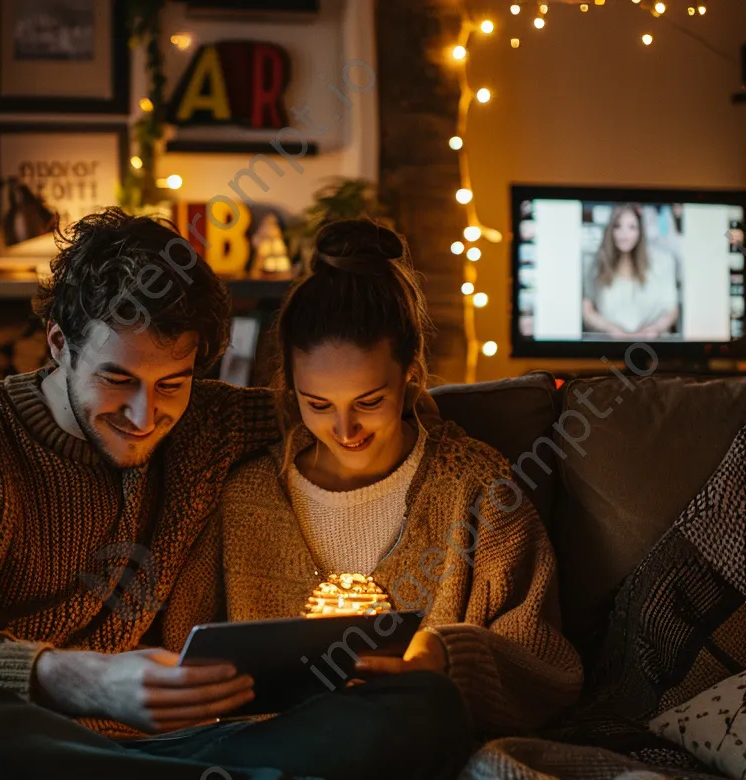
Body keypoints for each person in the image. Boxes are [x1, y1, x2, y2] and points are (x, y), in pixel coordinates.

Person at [0, 209, 473, 780]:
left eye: (171, 383)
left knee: (425, 710)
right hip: (2, 748)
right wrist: (84, 681)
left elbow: (351, 401)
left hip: (165, 756)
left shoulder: (206, 423)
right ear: (59, 343)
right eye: (118, 380)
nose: (146, 416)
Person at [165, 218, 584, 735]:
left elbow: (546, 666)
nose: (344, 429)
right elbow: (183, 659)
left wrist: (446, 660)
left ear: (410, 370)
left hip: (420, 745)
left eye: (369, 401)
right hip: (272, 754)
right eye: (316, 403)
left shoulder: (477, 491)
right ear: (289, 384)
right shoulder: (246, 498)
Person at [582, 204, 679, 339]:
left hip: (652, 347)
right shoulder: (595, 265)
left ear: (640, 231)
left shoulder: (662, 264)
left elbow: (672, 309)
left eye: (631, 227)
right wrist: (610, 328)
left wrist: (655, 329)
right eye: (617, 226)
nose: (624, 235)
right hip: (609, 349)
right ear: (610, 230)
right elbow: (587, 310)